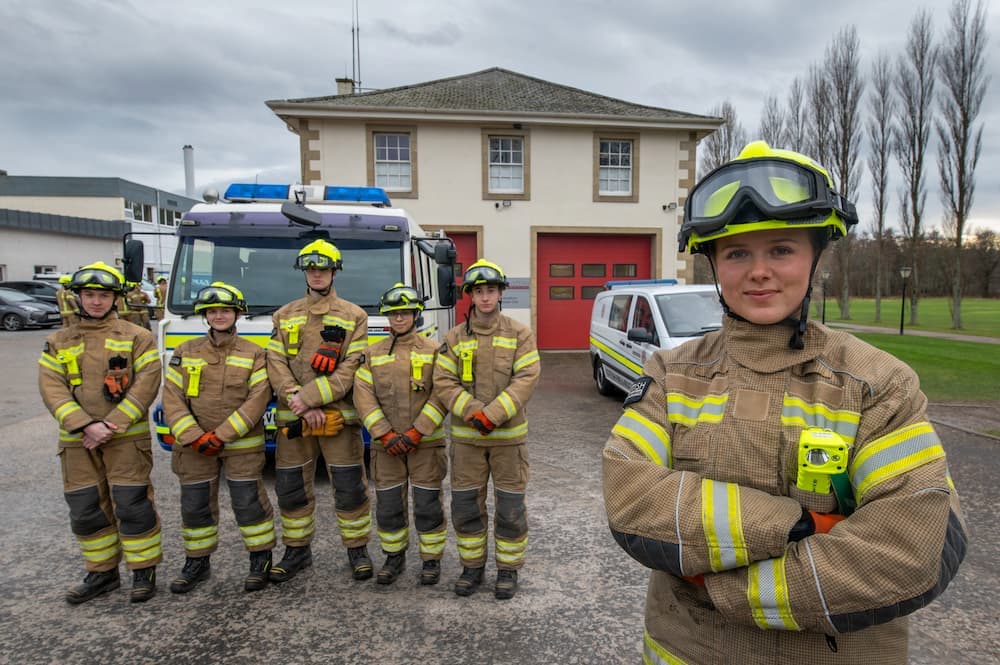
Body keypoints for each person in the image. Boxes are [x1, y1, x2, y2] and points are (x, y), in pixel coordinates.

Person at [602, 141, 968, 664]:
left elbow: (912, 544)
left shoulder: (877, 384)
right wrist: (799, 525)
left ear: (816, 255)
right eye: (736, 253)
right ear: (713, 264)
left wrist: (726, 588)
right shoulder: (671, 374)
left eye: (781, 249)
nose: (759, 271)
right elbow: (630, 495)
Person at [37, 261, 163, 604]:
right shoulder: (58, 341)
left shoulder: (138, 337)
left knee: (133, 505)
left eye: (103, 295)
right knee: (86, 508)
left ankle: (143, 571)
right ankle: (101, 573)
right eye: (90, 295)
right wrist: (84, 424)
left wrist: (111, 424)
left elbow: (147, 383)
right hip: (78, 441)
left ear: (115, 299)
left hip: (125, 440)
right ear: (77, 297)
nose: (96, 302)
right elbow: (52, 388)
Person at [266, 239, 373, 582]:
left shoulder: (355, 316)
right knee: (292, 488)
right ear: (304, 272)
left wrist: (310, 398)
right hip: (294, 417)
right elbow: (275, 362)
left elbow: (351, 368)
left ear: (333, 271)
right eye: (311, 269)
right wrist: (295, 398)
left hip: (337, 419)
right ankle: (297, 551)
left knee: (350, 487)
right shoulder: (284, 315)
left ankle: (357, 550)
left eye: (323, 269)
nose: (316, 274)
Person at [433, 259, 540, 599]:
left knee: (510, 508)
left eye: (491, 290)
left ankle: (508, 571)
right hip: (466, 443)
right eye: (478, 292)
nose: (485, 298)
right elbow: (443, 381)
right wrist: (472, 411)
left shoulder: (520, 333)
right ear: (470, 296)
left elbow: (527, 378)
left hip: (509, 442)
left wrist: (492, 415)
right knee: (466, 507)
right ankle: (472, 568)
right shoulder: (453, 337)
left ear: (500, 293)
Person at [161, 281, 276, 593]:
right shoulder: (185, 352)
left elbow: (257, 399)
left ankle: (260, 560)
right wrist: (193, 435)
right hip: (194, 446)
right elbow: (171, 397)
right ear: (205, 315)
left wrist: (222, 435)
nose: (219, 316)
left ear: (237, 314)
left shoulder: (255, 354)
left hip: (240, 445)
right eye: (213, 311)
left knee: (248, 502)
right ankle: (196, 562)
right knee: (195, 505)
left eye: (225, 310)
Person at [353, 283, 449, 585]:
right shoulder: (371, 354)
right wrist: (384, 434)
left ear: (415, 314)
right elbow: (363, 396)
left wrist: (417, 432)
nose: (399, 319)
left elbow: (442, 395)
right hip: (387, 447)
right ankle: (394, 558)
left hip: (426, 446)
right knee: (389, 506)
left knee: (427, 504)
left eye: (405, 313)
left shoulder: (435, 351)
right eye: (394, 314)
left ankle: (431, 561)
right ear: (386, 316)